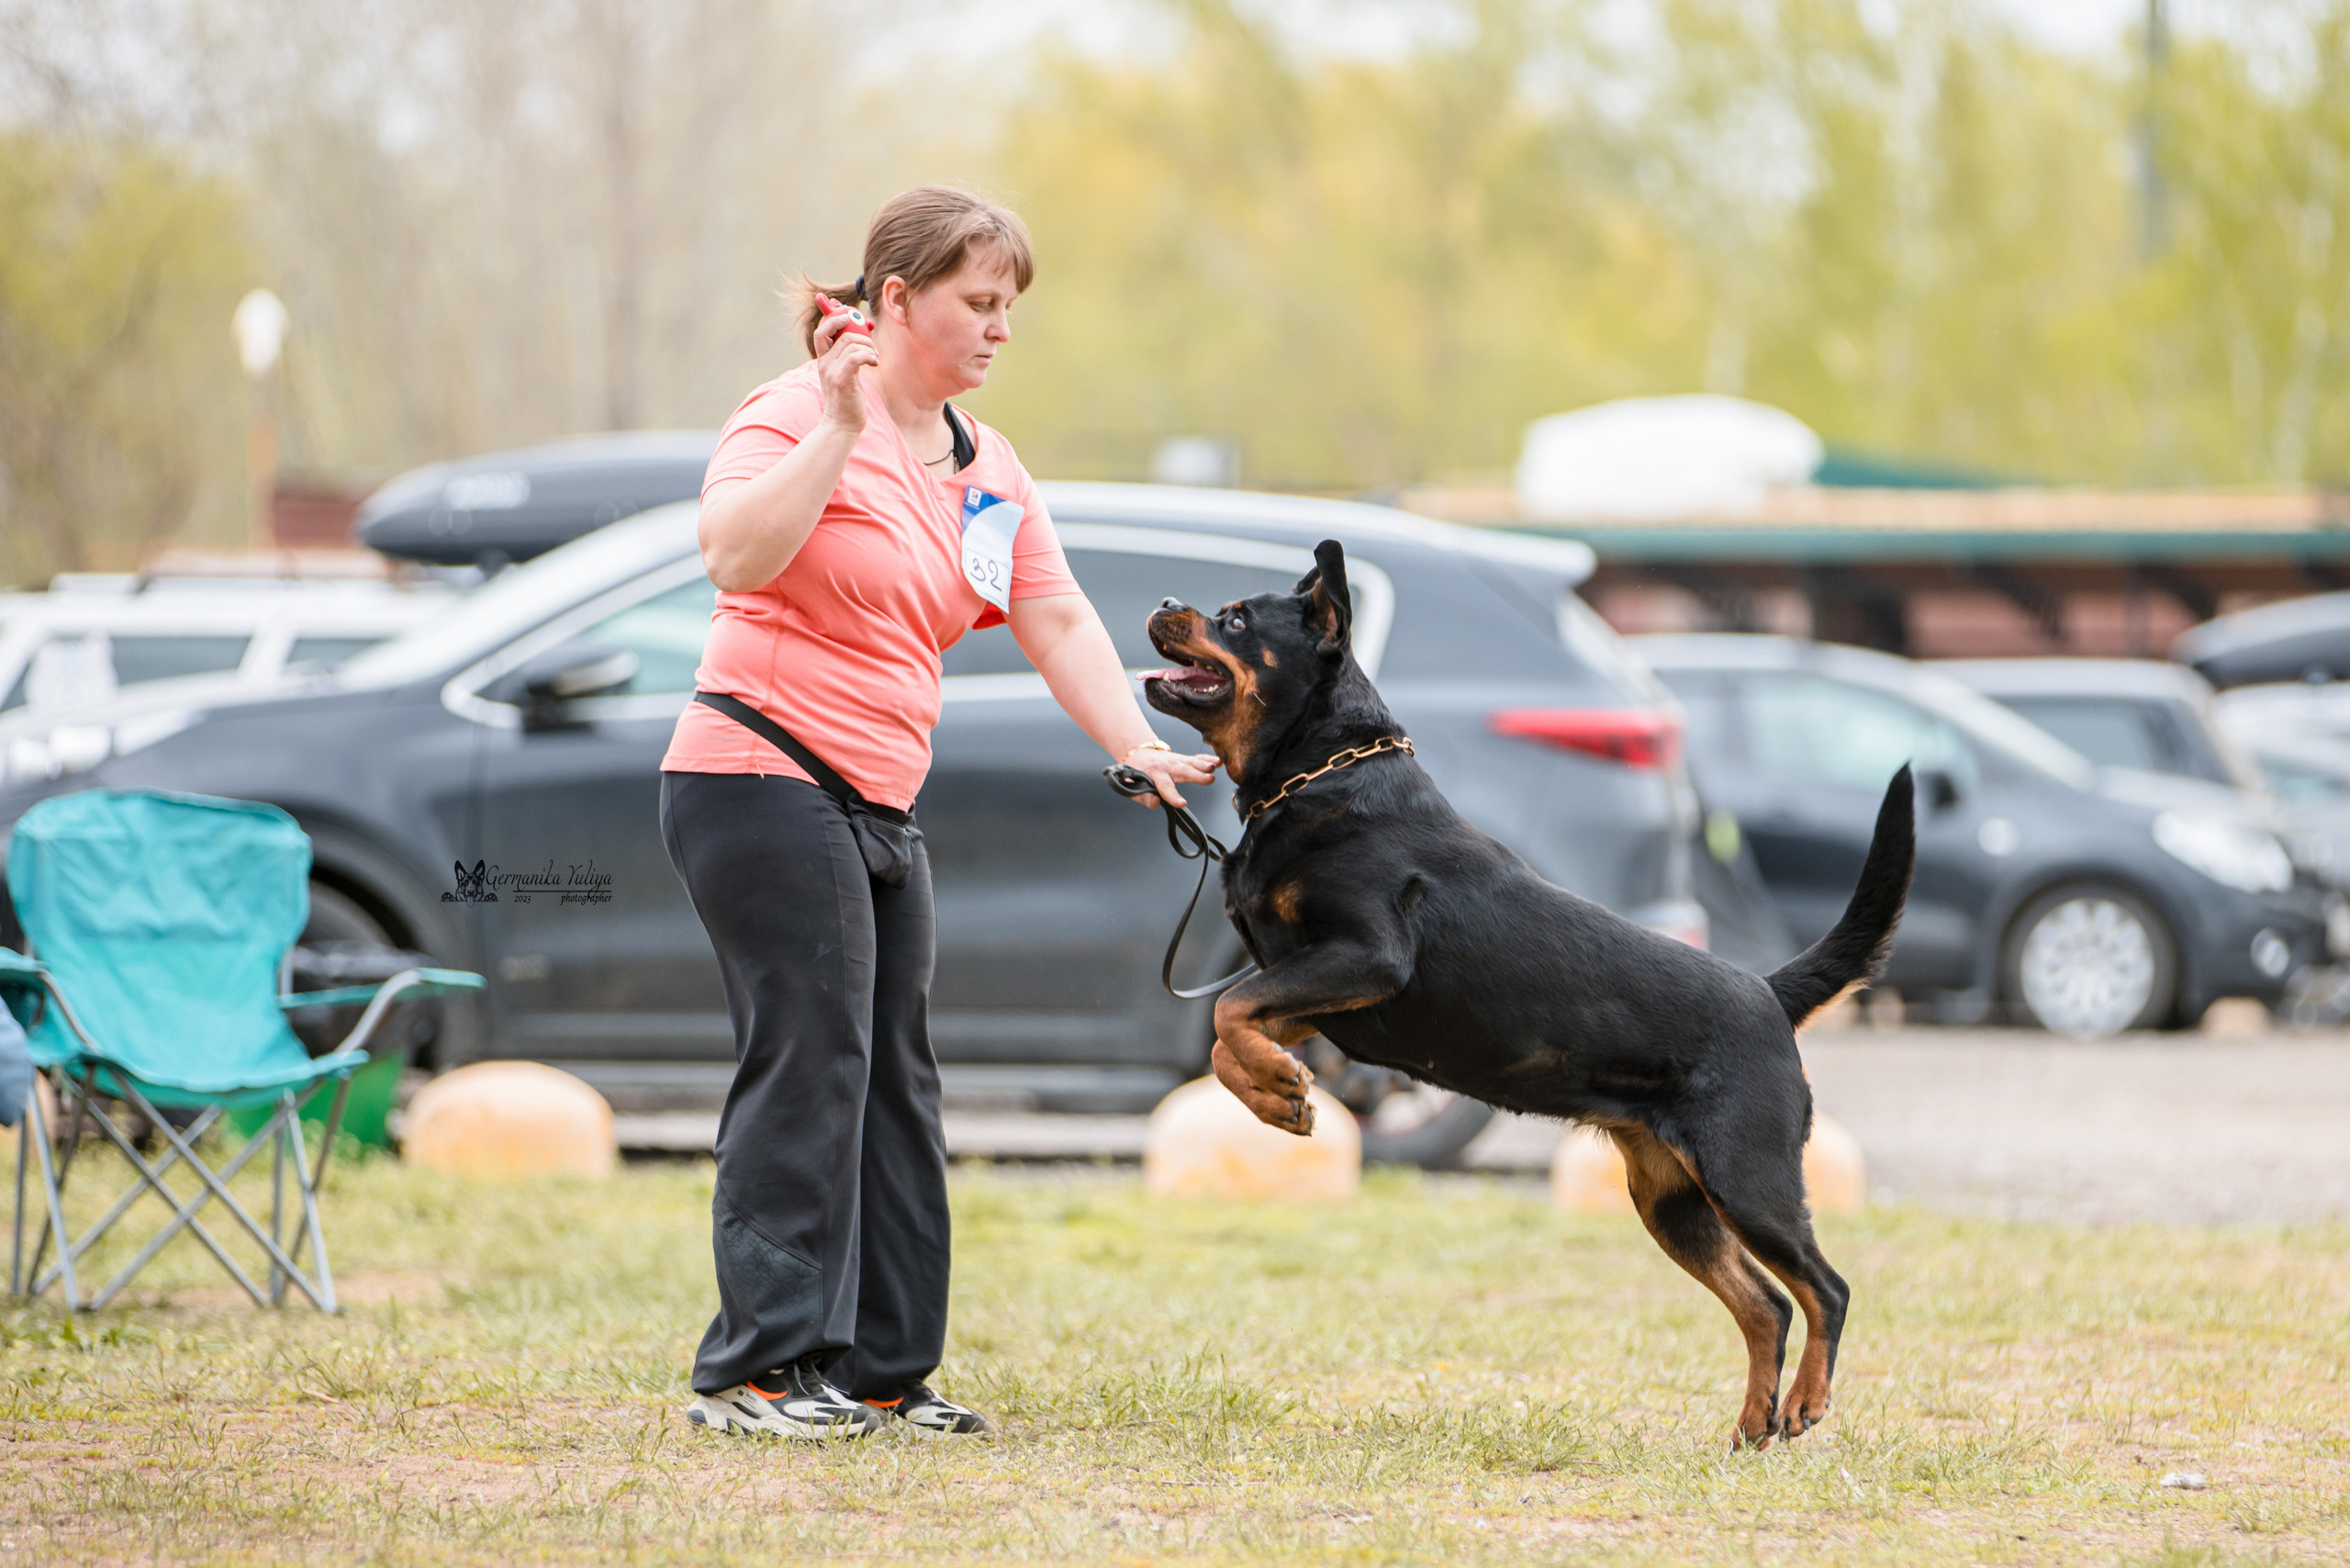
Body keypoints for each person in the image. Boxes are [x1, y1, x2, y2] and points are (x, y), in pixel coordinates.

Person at [661, 186, 1215, 1440]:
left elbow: (1053, 615)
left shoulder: (985, 463)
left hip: (879, 797)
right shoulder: (791, 411)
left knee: (895, 1081)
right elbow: (733, 556)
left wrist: (1133, 743)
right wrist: (838, 426)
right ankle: (755, 1372)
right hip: (758, 774)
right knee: (811, 1064)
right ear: (897, 299)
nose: (1001, 328)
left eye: (1011, 306)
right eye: (981, 302)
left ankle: (880, 1371)